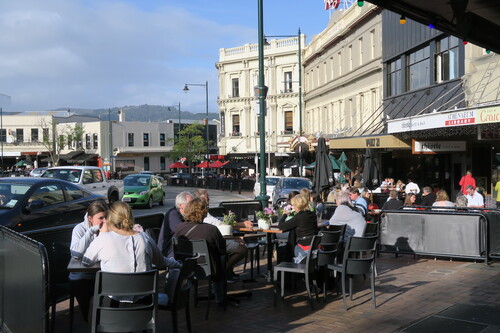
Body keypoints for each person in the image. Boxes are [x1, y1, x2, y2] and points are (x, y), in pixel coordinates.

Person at [173, 198, 226, 303]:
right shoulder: (211, 229)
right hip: (208, 269)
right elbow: (222, 249)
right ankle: (219, 297)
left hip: (186, 267)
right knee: (222, 259)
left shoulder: (179, 228)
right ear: (204, 213)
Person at [193, 189, 250, 279]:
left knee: (238, 242)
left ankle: (227, 271)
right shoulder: (204, 214)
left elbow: (218, 220)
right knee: (242, 248)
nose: (208, 200)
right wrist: (241, 224)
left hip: (208, 242)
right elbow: (218, 223)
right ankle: (224, 271)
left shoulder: (199, 213)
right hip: (212, 243)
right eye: (206, 199)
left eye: (208, 198)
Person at [69, 201, 109, 322]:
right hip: (82, 276)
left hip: (102, 275)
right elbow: (75, 253)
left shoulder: (108, 228)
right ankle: (92, 324)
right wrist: (90, 232)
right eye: (101, 218)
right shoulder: (79, 229)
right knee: (91, 313)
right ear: (90, 218)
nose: (104, 221)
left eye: (106, 217)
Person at [278, 194, 318, 263]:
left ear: (297, 206)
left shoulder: (299, 217)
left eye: (294, 205)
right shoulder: (312, 214)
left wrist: (285, 214)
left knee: (283, 248)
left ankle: (287, 269)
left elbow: (281, 226)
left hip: (303, 247)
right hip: (313, 245)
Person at [158, 191, 193, 257]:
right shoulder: (173, 214)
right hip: (168, 252)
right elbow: (184, 231)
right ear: (180, 205)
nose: (192, 207)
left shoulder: (185, 215)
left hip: (178, 248)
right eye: (190, 204)